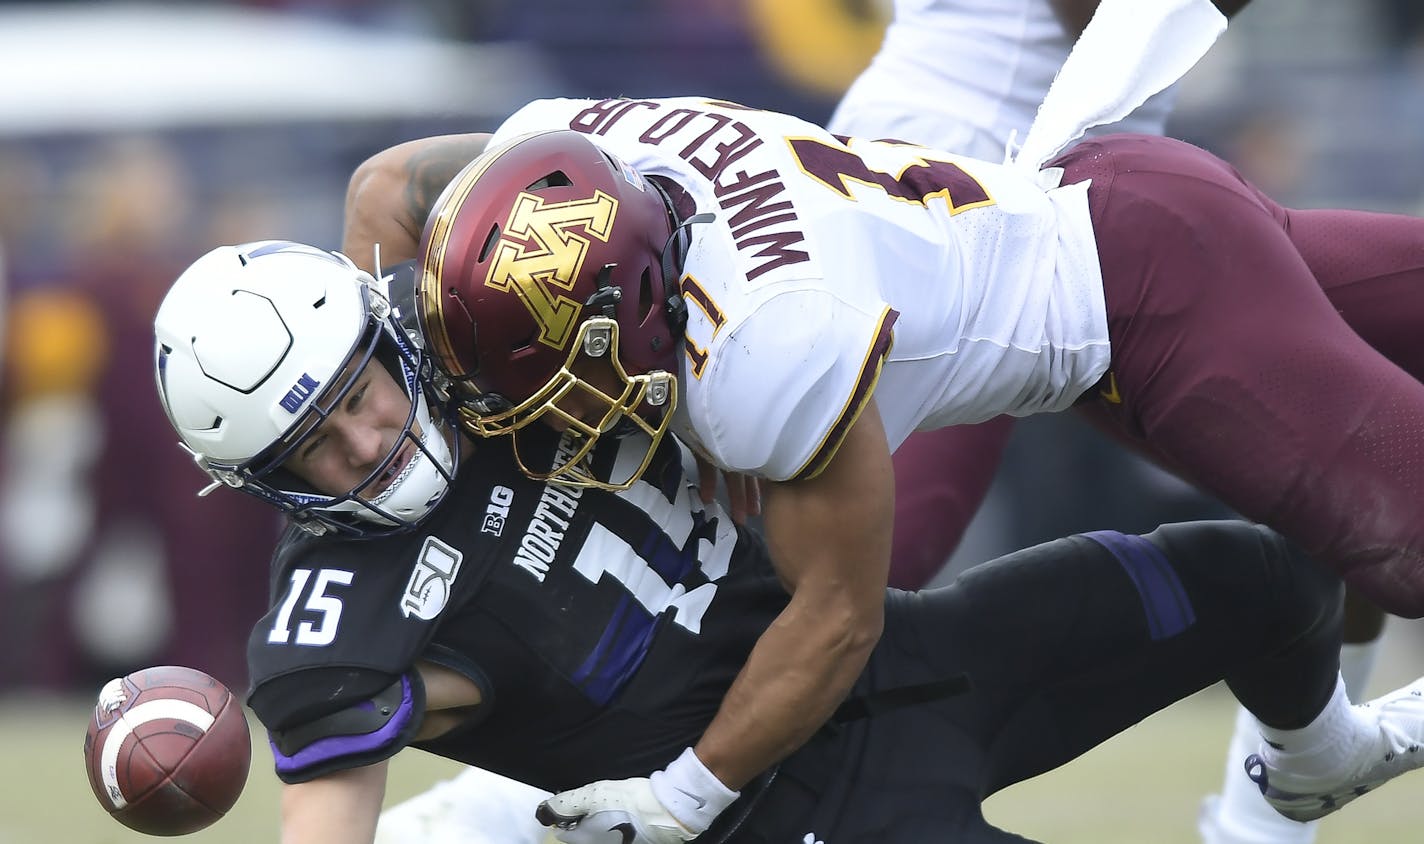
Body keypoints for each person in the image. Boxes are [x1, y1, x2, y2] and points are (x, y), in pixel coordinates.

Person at [152, 239, 1424, 843]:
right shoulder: (332, 624)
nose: (364, 443)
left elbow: (442, 183)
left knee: (1259, 577)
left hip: (893, 662)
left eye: (358, 392)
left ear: (386, 332)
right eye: (309, 448)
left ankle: (1298, 782)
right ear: (254, 482)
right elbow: (325, 817)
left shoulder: (498, 342)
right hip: (785, 818)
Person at [830, 2, 1375, 843]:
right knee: (848, 579)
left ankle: (1268, 816)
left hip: (1049, 199)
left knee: (1356, 445)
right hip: (965, 201)